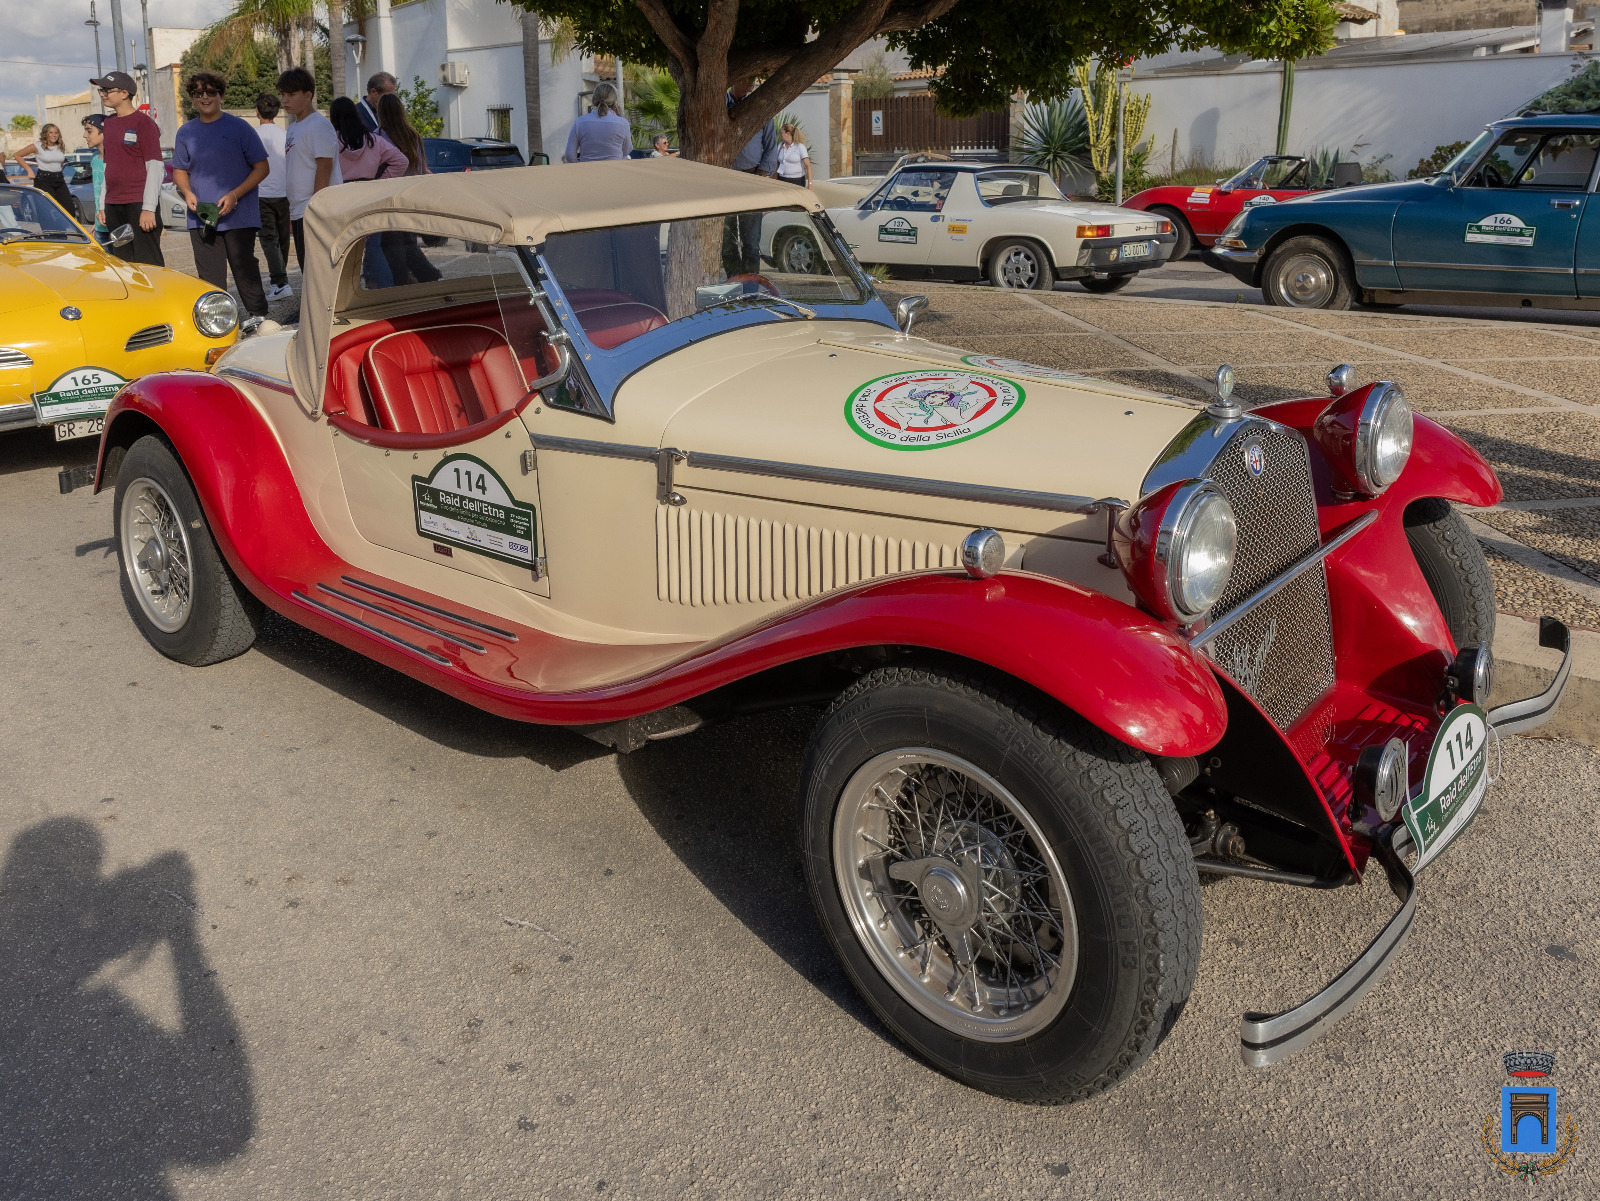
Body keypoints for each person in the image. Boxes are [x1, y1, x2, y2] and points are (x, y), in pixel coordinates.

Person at [172, 70, 270, 321]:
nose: (205, 97)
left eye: (211, 92)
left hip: (240, 217)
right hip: (201, 217)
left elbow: (262, 168)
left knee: (244, 268)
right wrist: (187, 193)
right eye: (198, 93)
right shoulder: (185, 132)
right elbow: (180, 171)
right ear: (192, 98)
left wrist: (235, 195)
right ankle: (217, 324)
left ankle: (259, 319)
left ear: (222, 96)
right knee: (210, 277)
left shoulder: (240, 127)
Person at [331, 96, 410, 289]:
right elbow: (402, 161)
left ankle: (346, 289)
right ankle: (384, 286)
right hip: (369, 195)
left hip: (342, 196)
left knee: (344, 248)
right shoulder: (373, 140)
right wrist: (379, 184)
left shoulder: (332, 140)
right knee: (373, 245)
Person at [90, 69, 165, 266]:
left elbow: (155, 167)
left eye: (107, 90)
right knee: (123, 262)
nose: (102, 94)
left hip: (138, 204)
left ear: (124, 93)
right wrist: (103, 204)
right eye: (101, 90)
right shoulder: (109, 123)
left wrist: (148, 208)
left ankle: (155, 297)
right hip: (114, 206)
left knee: (148, 262)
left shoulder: (144, 123)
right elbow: (108, 166)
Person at [374, 91, 443, 287]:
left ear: (381, 113)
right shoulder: (413, 135)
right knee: (408, 242)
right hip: (411, 194)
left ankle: (405, 279)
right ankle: (429, 276)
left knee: (391, 245)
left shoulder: (378, 136)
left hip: (389, 197)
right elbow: (421, 168)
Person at [277, 66, 341, 274]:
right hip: (299, 209)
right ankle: (312, 307)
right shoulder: (295, 126)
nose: (285, 100)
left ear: (308, 95)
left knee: (320, 270)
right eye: (283, 94)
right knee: (309, 269)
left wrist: (315, 207)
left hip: (314, 210)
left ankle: (322, 307)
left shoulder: (318, 125)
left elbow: (324, 165)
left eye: (292, 94)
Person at [726, 79, 777, 273]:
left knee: (751, 242)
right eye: (748, 78)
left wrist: (762, 173)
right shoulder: (717, 105)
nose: (752, 83)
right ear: (736, 77)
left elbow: (771, 146)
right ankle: (733, 289)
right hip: (723, 181)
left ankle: (750, 292)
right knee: (727, 243)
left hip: (751, 180)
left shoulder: (760, 108)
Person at [254, 93, 293, 303]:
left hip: (261, 193)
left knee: (269, 239)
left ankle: (280, 283)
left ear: (257, 111)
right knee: (283, 238)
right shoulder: (285, 134)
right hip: (284, 192)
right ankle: (280, 282)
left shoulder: (253, 134)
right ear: (277, 112)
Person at [561, 83, 631, 162]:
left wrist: (580, 168)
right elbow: (626, 151)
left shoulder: (580, 122)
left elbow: (570, 155)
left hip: (588, 172)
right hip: (615, 171)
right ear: (615, 101)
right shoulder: (622, 123)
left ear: (594, 99)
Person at [14, 124, 74, 214]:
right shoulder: (37, 146)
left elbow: (60, 162)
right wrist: (29, 171)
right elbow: (17, 155)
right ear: (45, 134)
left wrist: (58, 171)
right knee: (47, 209)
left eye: (56, 133)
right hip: (44, 179)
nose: (54, 135)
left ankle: (63, 228)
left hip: (59, 179)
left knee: (69, 208)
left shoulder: (60, 146)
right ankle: (48, 228)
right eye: (51, 132)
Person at [79, 115, 107, 235]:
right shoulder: (94, 158)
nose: (85, 135)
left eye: (89, 131)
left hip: (115, 223)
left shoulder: (115, 158)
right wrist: (96, 222)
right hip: (100, 225)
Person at [775, 122, 811, 187]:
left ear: (787, 134)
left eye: (781, 133)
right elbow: (777, 163)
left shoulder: (799, 146)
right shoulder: (780, 145)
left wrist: (810, 184)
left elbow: (808, 166)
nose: (780, 134)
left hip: (797, 180)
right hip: (782, 179)